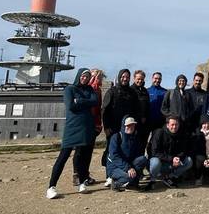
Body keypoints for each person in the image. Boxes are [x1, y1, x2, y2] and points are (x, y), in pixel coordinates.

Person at [46, 68, 98, 199]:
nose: (85, 78)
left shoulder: (90, 90)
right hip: (72, 128)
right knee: (63, 156)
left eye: (87, 76)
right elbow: (70, 106)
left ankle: (81, 183)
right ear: (79, 76)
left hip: (86, 128)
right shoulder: (70, 89)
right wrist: (84, 103)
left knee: (80, 157)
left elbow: (95, 101)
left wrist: (79, 101)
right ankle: (51, 187)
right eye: (83, 76)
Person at [101, 68, 139, 186]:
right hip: (113, 127)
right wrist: (106, 127)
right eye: (123, 76)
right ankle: (109, 176)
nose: (125, 78)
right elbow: (105, 110)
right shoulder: (112, 91)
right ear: (119, 77)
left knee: (124, 151)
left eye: (127, 77)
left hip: (127, 127)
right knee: (111, 151)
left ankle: (122, 172)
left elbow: (135, 110)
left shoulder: (132, 93)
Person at [72, 68, 104, 186]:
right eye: (95, 76)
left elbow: (98, 108)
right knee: (80, 150)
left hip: (93, 124)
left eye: (99, 76)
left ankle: (84, 175)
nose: (97, 78)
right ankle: (76, 174)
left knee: (88, 151)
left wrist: (98, 124)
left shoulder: (97, 91)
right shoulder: (85, 90)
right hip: (82, 124)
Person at [147, 116, 193, 188]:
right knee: (155, 161)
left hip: (171, 164)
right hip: (159, 163)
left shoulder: (181, 134)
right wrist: (171, 158)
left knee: (189, 161)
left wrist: (178, 158)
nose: (174, 127)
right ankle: (152, 180)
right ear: (167, 125)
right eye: (172, 124)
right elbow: (154, 152)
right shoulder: (159, 132)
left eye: (176, 124)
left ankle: (170, 177)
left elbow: (183, 150)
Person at [106, 116, 149, 191]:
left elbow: (138, 155)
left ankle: (133, 184)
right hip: (114, 167)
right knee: (129, 177)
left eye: (132, 125)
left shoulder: (135, 138)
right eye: (128, 125)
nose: (131, 127)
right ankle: (116, 183)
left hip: (129, 165)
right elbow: (114, 156)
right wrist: (128, 168)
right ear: (123, 125)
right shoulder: (116, 137)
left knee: (142, 159)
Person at [132, 70, 150, 153]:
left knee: (142, 145)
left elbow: (147, 106)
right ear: (134, 78)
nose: (140, 81)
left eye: (142, 79)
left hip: (144, 124)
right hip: (134, 123)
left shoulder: (145, 91)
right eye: (138, 79)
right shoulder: (130, 90)